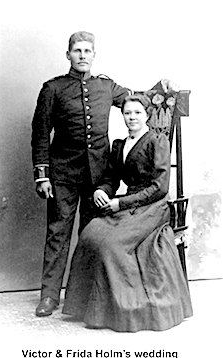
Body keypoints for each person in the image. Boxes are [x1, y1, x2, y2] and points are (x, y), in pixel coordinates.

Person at [31, 30, 177, 317]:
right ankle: (49, 296)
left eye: (87, 51)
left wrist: (163, 86)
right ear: (68, 55)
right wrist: (42, 175)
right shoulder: (53, 89)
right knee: (58, 233)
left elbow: (139, 102)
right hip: (62, 174)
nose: (82, 56)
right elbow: (39, 133)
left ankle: (84, 296)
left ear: (94, 55)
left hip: (99, 178)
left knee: (92, 235)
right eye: (77, 51)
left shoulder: (106, 87)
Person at [62, 94, 193, 332]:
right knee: (91, 232)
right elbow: (111, 178)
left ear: (147, 115)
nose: (132, 117)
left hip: (153, 206)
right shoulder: (120, 145)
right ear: (122, 116)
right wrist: (102, 191)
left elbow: (159, 187)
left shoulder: (157, 141)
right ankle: (91, 308)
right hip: (128, 203)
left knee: (111, 244)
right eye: (127, 113)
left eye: (137, 113)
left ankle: (126, 310)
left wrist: (120, 204)